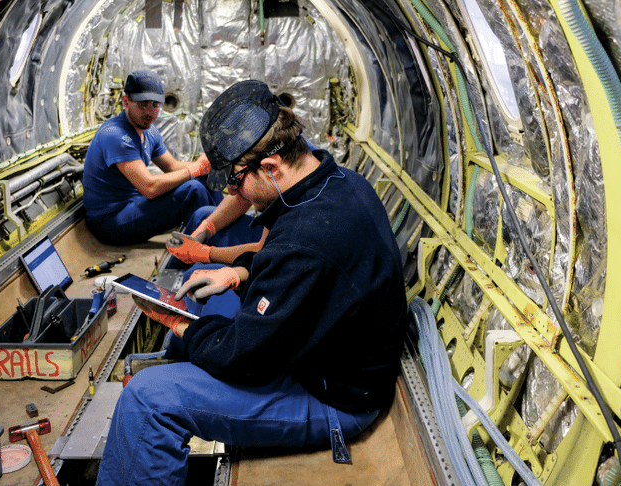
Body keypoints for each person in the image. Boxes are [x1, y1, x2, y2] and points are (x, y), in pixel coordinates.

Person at [95, 80, 408, 486]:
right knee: (211, 301)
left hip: (331, 397)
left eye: (237, 181)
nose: (234, 192)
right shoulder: (339, 182)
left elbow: (243, 358)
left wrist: (184, 327)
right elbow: (302, 281)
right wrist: (241, 272)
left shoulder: (306, 239)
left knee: (148, 399)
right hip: (325, 361)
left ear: (272, 166)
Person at [82, 70, 220, 245]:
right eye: (142, 104)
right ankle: (204, 250)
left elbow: (172, 166)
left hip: (133, 204)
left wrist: (207, 166)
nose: (149, 112)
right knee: (193, 190)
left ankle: (221, 230)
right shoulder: (115, 135)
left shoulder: (149, 131)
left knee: (208, 177)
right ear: (126, 102)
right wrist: (195, 168)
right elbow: (149, 187)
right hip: (110, 222)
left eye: (155, 105)